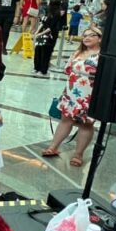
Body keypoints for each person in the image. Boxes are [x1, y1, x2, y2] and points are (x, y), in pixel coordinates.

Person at [42, 27, 101, 167]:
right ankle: (53, 147)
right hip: (72, 92)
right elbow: (68, 70)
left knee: (86, 124)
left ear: (100, 38)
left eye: (91, 35)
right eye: (84, 36)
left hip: (90, 93)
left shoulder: (103, 56)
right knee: (65, 120)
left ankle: (78, 154)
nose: (86, 38)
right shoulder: (78, 52)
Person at [33, 0, 64, 76]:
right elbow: (43, 22)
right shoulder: (48, 12)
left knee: (46, 53)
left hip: (50, 35)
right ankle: (36, 68)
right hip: (42, 34)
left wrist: (40, 34)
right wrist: (37, 32)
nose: (48, 2)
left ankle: (43, 70)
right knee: (38, 50)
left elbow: (51, 27)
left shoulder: (57, 14)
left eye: (49, 1)